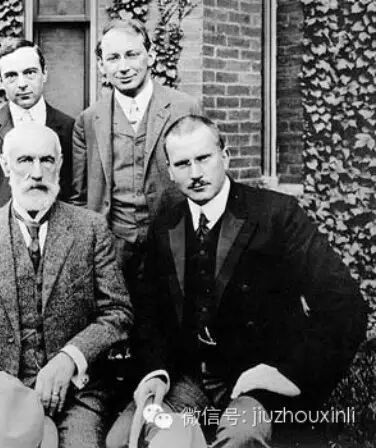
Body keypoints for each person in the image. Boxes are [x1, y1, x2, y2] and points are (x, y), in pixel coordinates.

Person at [106, 115, 367, 448]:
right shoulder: (166, 224)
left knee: (241, 437)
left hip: (261, 379)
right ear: (169, 171)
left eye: (204, 158)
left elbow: (345, 305)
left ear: (225, 157)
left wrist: (289, 372)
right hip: (189, 379)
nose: (195, 173)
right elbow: (149, 314)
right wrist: (156, 372)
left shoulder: (276, 215)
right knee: (121, 440)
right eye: (183, 164)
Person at [0, 123, 134, 448]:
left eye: (47, 160)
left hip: (75, 395)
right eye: (25, 160)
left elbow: (117, 313)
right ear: (5, 166)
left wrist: (70, 358)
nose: (37, 173)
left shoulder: (91, 230)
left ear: (60, 164)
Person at [70, 19, 201, 291]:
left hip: (173, 244)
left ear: (150, 56)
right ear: (101, 65)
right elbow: (79, 197)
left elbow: (201, 177)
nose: (123, 67)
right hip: (113, 248)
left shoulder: (184, 108)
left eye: (132, 54)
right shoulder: (89, 120)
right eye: (113, 58)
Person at [0, 39, 75, 220]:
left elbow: (74, 191)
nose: (22, 84)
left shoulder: (68, 128)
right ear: (1, 81)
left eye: (30, 73)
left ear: (44, 73)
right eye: (11, 76)